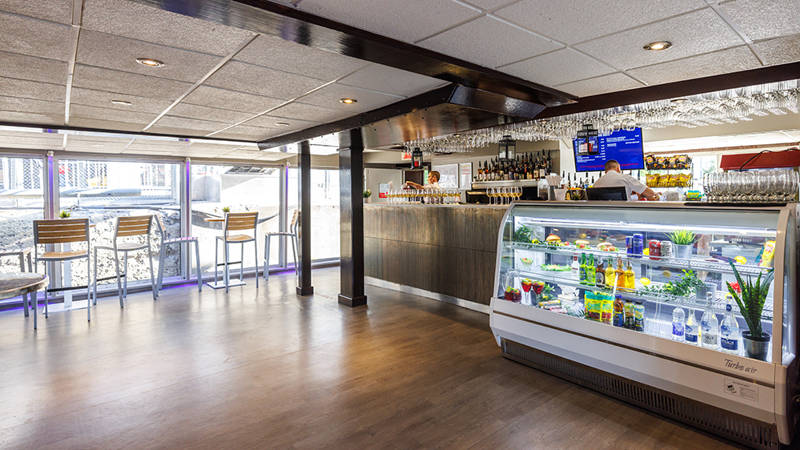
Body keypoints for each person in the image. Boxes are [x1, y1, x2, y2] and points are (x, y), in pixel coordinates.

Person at [593, 160, 659, 201]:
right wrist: (655, 194)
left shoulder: (596, 183)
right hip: (625, 214)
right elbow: (649, 193)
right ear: (618, 168)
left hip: (604, 216)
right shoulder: (625, 178)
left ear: (605, 171)